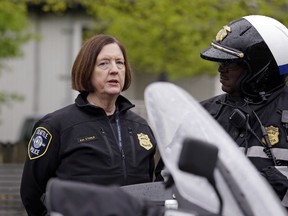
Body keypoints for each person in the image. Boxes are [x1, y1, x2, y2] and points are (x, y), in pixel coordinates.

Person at [20, 34, 157, 216]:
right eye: (104, 63)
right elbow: (32, 193)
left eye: (120, 63)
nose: (114, 70)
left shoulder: (140, 126)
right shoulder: (56, 126)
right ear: (87, 71)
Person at [200, 15, 288, 208]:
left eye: (231, 63)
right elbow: (167, 178)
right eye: (221, 62)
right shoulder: (202, 114)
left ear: (262, 66)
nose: (221, 69)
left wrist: (268, 182)